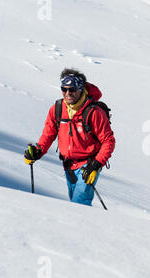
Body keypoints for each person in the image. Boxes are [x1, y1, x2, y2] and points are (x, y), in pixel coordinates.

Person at [24, 68, 116, 206]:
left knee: (79, 203)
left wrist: (96, 165)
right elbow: (48, 134)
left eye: (72, 89)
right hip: (68, 165)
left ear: (80, 89)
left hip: (88, 164)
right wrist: (37, 151)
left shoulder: (93, 112)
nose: (67, 93)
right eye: (64, 89)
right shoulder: (57, 109)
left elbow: (108, 141)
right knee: (73, 203)